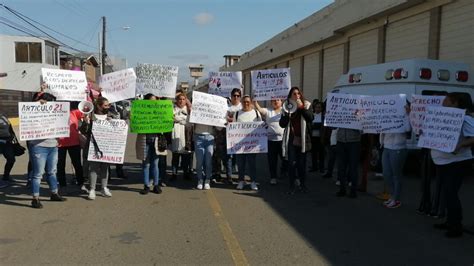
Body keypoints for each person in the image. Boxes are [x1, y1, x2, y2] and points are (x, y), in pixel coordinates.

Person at [432, 93, 473, 238]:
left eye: (446, 100)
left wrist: (460, 145)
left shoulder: (465, 117)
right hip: (442, 161)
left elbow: (473, 137)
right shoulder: (443, 116)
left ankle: (457, 226)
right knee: (447, 193)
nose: (442, 102)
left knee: (451, 193)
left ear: (454, 103)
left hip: (456, 162)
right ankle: (450, 221)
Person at [29, 92, 66, 208]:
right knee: (38, 174)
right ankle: (35, 198)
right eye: (51, 103)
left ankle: (54, 193)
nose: (53, 105)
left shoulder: (55, 113)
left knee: (52, 171)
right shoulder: (33, 113)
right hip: (39, 146)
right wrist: (37, 104)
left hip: (53, 145)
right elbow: (26, 113)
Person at [279, 87, 314, 194]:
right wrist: (287, 115)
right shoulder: (286, 107)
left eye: (298, 93)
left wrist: (301, 107)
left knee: (302, 164)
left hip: (303, 139)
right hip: (291, 139)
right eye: (294, 94)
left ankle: (303, 185)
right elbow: (282, 124)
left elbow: (310, 118)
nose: (297, 95)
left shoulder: (306, 105)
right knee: (291, 164)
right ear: (290, 96)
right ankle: (292, 186)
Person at [79, 97, 114, 200]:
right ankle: (92, 189)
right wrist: (86, 122)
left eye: (108, 105)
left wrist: (114, 122)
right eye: (106, 105)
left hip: (107, 145)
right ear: (99, 106)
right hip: (93, 146)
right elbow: (83, 130)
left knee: (105, 167)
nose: (108, 107)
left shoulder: (110, 115)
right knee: (93, 169)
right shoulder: (90, 116)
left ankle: (104, 187)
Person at [380, 108, 410, 208]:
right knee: (386, 173)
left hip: (398, 148)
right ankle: (393, 196)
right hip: (386, 147)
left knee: (396, 175)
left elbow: (408, 129)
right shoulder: (387, 114)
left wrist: (407, 115)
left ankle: (396, 199)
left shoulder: (406, 116)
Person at [233, 95, 262, 190]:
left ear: (251, 103)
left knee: (252, 164)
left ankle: (253, 182)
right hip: (239, 144)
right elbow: (233, 128)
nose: (246, 103)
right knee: (240, 164)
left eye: (248, 102)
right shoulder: (237, 114)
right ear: (241, 102)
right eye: (244, 102)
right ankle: (241, 181)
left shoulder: (256, 113)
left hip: (252, 144)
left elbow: (260, 127)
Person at [135, 94, 162, 195]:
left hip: (156, 140)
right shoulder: (140, 112)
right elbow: (134, 120)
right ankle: (146, 185)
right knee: (146, 164)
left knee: (155, 164)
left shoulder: (160, 112)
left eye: (155, 101)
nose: (153, 103)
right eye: (151, 101)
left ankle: (156, 185)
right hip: (144, 140)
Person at [57, 101, 85, 194]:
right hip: (59, 144)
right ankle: (62, 184)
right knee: (60, 165)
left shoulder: (74, 112)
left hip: (74, 143)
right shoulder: (55, 114)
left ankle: (81, 183)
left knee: (77, 164)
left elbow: (86, 109)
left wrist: (88, 94)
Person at [254, 98, 284, 185]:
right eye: (273, 100)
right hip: (270, 140)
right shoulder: (268, 110)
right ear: (271, 102)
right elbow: (259, 109)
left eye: (277, 100)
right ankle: (273, 177)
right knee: (272, 160)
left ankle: (287, 173)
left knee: (285, 158)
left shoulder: (285, 110)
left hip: (283, 140)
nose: (275, 101)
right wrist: (255, 101)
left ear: (281, 101)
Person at [171, 93, 193, 181]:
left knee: (186, 157)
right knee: (175, 156)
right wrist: (182, 119)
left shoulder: (188, 109)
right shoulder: (173, 109)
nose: (181, 101)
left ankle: (186, 173)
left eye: (183, 99)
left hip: (185, 135)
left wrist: (179, 119)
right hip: (175, 134)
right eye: (180, 99)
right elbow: (172, 118)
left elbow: (189, 120)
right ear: (177, 100)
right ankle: (174, 173)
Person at [335, 126, 362, 198]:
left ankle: (353, 191)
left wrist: (352, 125)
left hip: (354, 142)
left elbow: (362, 128)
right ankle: (342, 190)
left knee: (353, 168)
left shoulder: (359, 114)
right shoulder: (338, 114)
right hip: (340, 141)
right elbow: (332, 127)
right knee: (341, 167)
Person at [0, 112, 15, 188]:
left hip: (7, 142)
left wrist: (12, 137)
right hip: (1, 141)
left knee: (11, 159)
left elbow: (9, 127)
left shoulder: (3, 116)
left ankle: (6, 176)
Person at [310, 101, 325, 173]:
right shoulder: (312, 115)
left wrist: (315, 126)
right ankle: (314, 166)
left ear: (322, 108)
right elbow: (310, 126)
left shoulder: (323, 116)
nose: (318, 109)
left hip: (321, 137)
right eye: (316, 107)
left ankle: (322, 167)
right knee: (314, 153)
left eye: (319, 107)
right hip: (313, 137)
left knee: (322, 153)